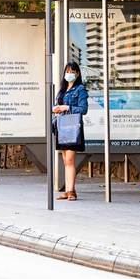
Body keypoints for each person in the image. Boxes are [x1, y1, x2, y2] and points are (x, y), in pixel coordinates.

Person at [53, 62, 88, 201]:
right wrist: (56, 108)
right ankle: (68, 191)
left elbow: (83, 109)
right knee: (65, 160)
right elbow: (57, 105)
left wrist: (66, 107)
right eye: (67, 71)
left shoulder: (80, 89)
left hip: (73, 127)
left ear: (77, 74)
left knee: (70, 160)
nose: (70, 74)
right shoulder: (62, 89)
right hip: (61, 127)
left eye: (72, 71)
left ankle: (71, 191)